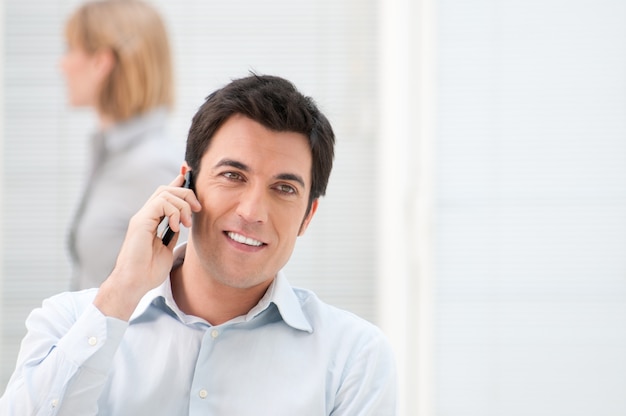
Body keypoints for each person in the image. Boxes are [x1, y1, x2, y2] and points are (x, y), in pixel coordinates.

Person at [0, 74, 397, 415]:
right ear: (186, 184)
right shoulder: (69, 322)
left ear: (307, 217)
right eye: (233, 176)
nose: (252, 210)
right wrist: (121, 289)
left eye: (283, 188)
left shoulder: (352, 357)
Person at [61, 0, 184, 289]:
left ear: (101, 61)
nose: (62, 64)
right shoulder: (112, 154)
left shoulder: (153, 165)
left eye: (70, 49)